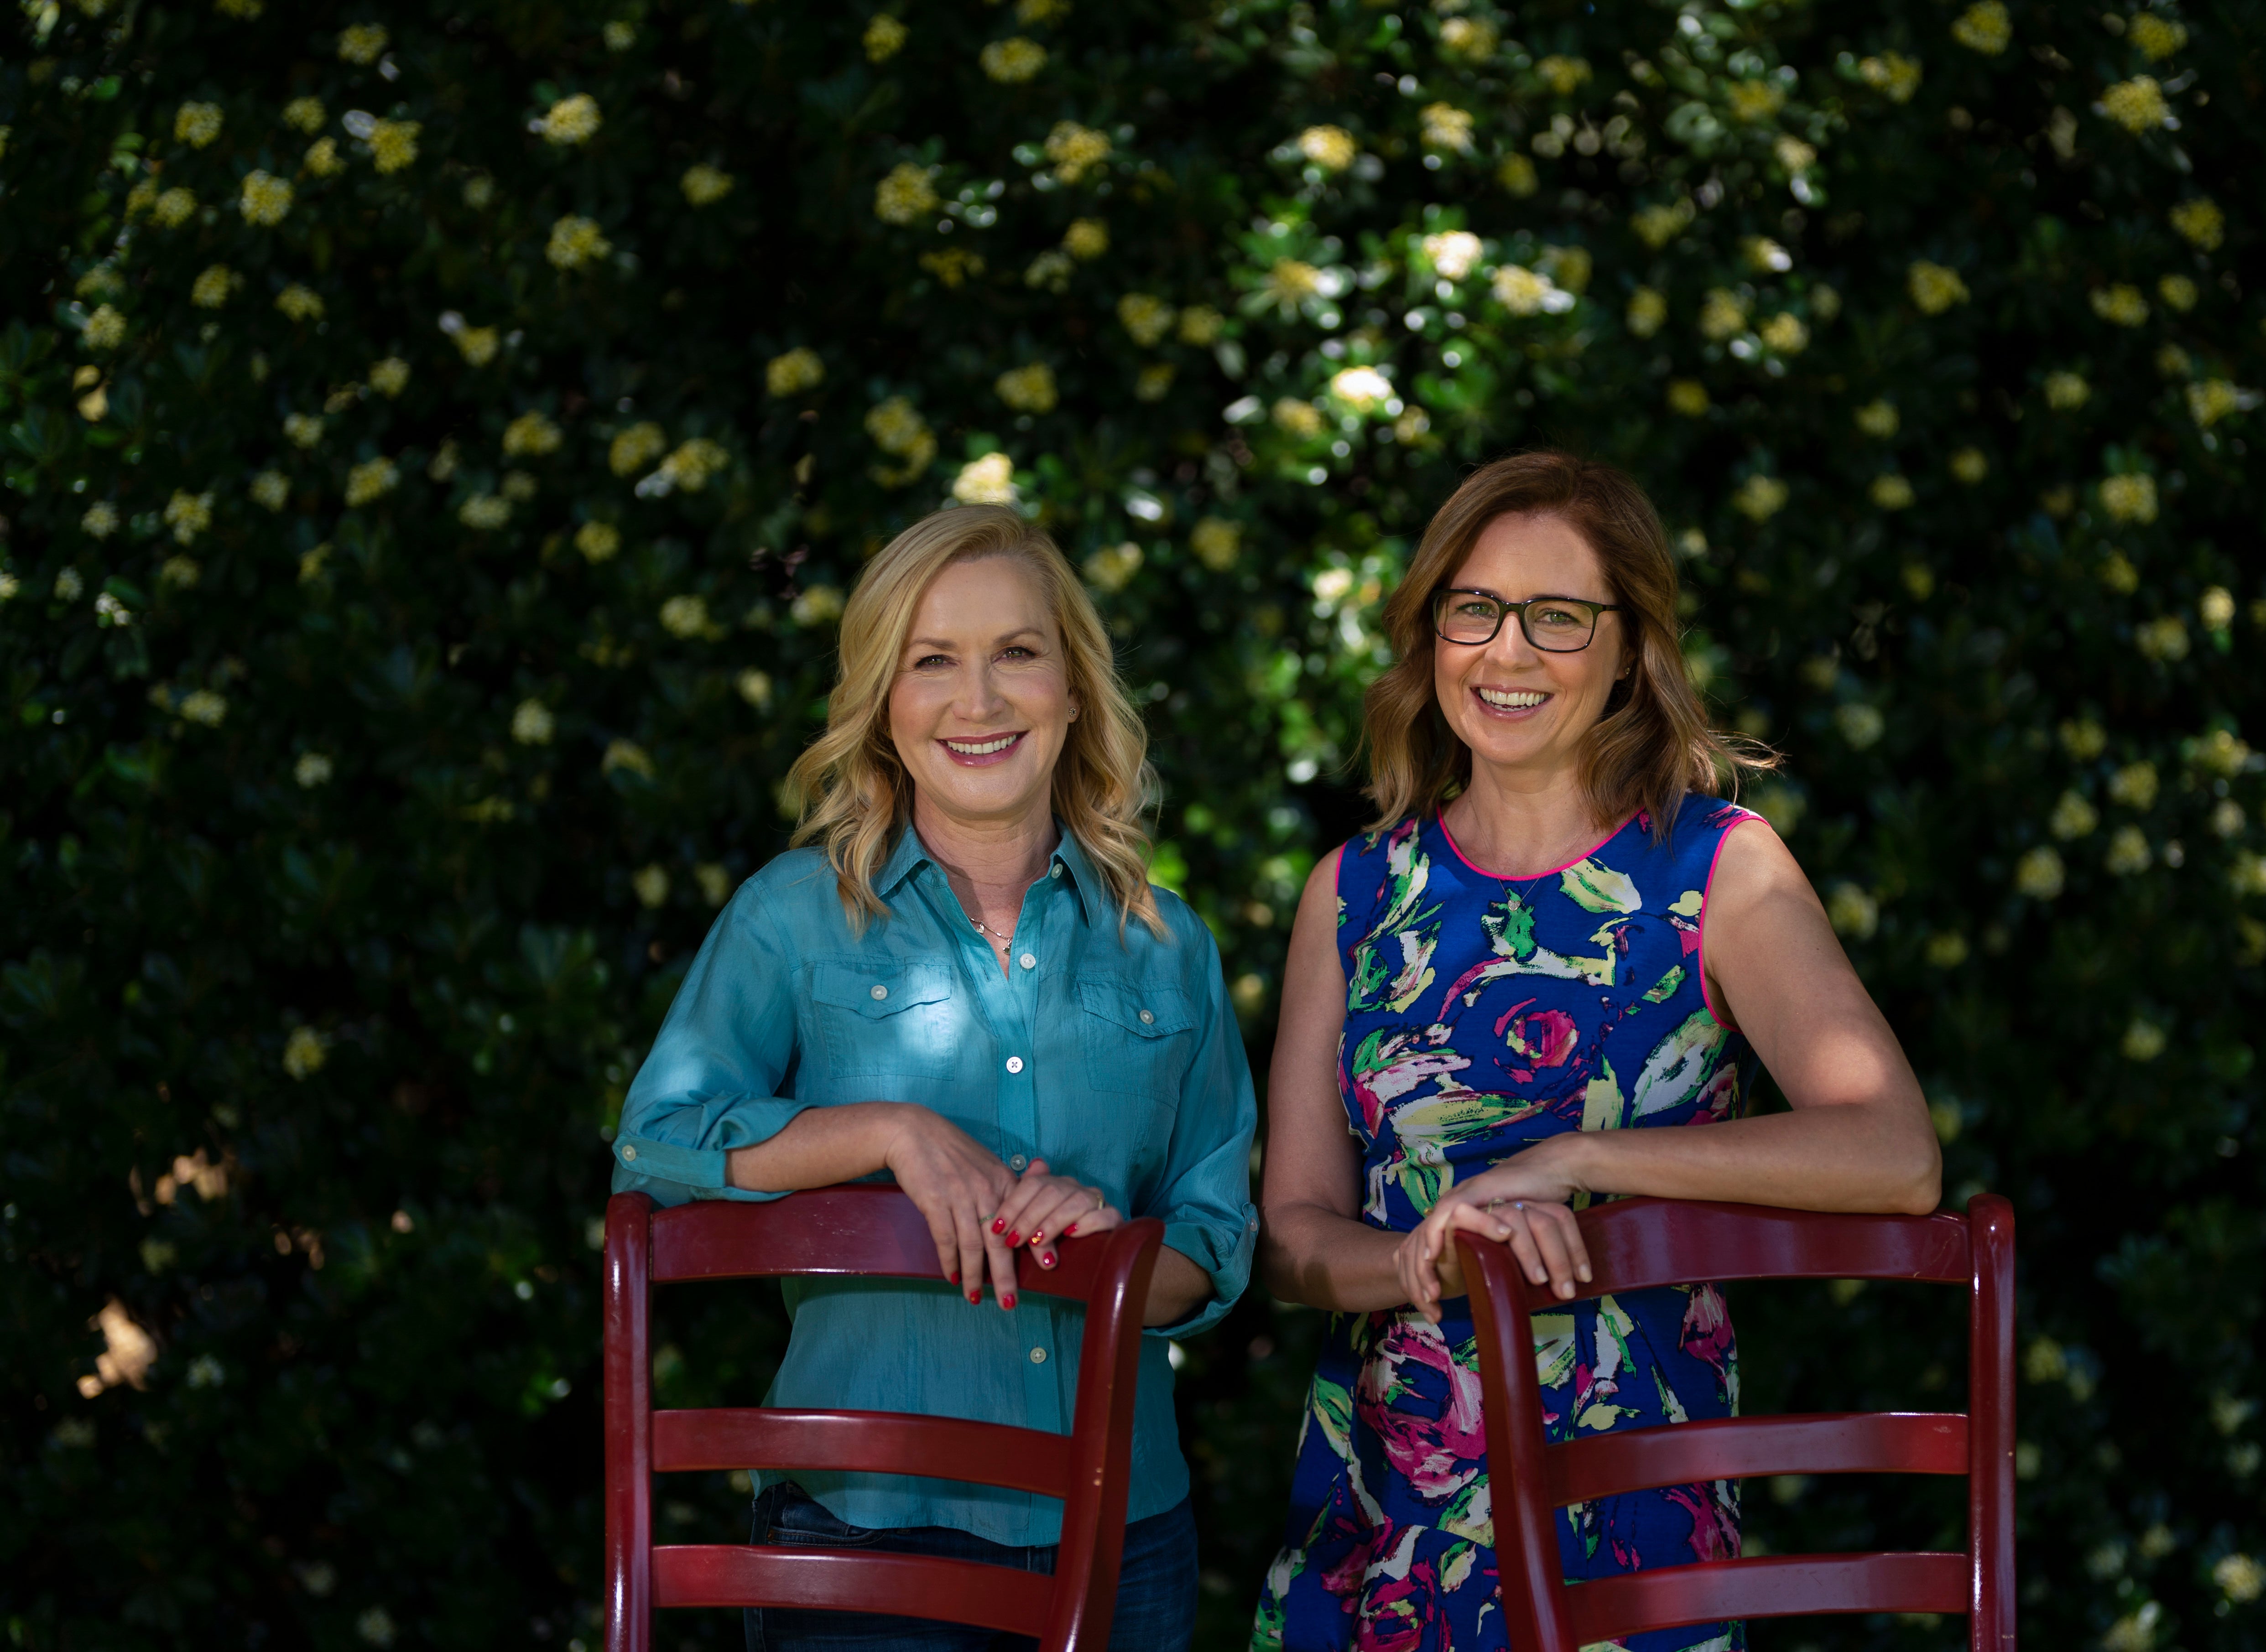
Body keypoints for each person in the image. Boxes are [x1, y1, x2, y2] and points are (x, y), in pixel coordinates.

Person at [1252, 452, 1942, 1652]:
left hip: (1634, 1527)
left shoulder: (1715, 867)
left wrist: (1574, 1158)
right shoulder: (1354, 893)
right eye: (1475, 607)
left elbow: (1893, 1153)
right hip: (1389, 1517)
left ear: (1629, 649)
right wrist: (1419, 1259)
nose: (1506, 651)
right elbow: (1289, 1237)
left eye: (1557, 616)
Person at [611, 504, 1257, 1652]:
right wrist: (883, 1130)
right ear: (881, 699)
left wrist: (1114, 1247)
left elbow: (1213, 1243)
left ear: (1073, 687)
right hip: (862, 1533)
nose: (979, 699)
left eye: (1017, 651)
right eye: (931, 660)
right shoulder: (791, 917)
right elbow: (656, 1142)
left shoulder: (1168, 946)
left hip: (1122, 1535)